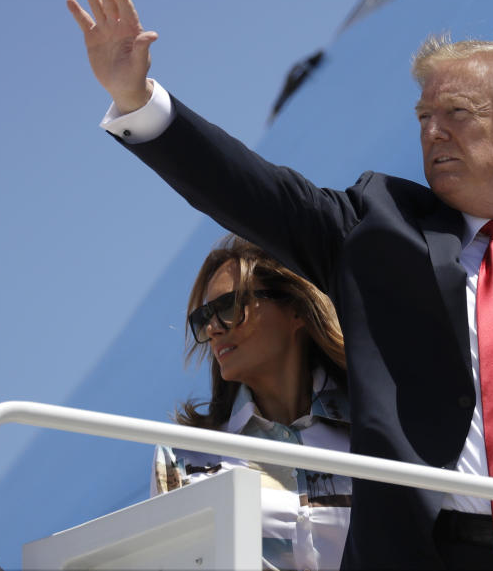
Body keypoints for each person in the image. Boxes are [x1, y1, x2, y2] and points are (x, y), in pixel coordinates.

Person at [67, 0, 493, 570]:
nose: (431, 133)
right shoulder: (376, 228)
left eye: (457, 116)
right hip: (428, 553)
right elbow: (251, 190)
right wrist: (139, 98)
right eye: (423, 117)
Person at [150, 234, 351, 571]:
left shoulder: (378, 429)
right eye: (204, 319)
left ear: (296, 310)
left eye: (229, 307)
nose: (213, 328)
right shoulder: (185, 458)